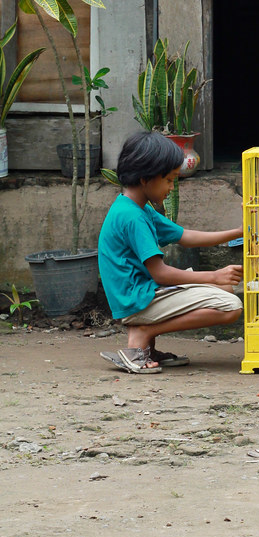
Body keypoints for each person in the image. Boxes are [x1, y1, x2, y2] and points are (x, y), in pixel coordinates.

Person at [98, 131, 243, 374]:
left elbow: (185, 237)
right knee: (230, 306)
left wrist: (237, 232)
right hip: (137, 300)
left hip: (141, 294)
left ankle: (148, 348)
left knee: (225, 288)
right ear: (146, 178)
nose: (171, 187)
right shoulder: (133, 217)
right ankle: (144, 332)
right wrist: (214, 275)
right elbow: (161, 274)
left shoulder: (136, 207)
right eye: (168, 180)